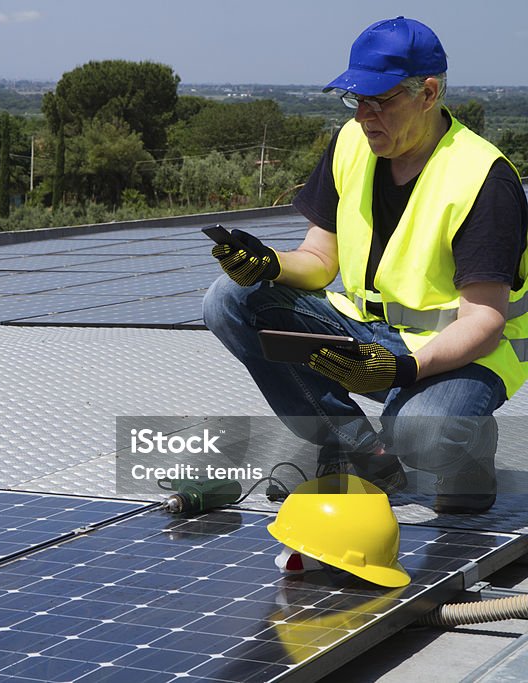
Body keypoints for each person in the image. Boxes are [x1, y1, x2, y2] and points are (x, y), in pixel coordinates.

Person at [202, 16, 528, 514]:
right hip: (370, 334)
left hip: (462, 354)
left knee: (423, 435)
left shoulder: (483, 179)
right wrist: (267, 265)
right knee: (228, 300)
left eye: (380, 101)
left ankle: (469, 454)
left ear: (429, 93)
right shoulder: (352, 145)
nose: (364, 116)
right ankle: (361, 452)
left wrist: (402, 369)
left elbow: (483, 321)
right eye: (356, 100)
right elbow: (318, 261)